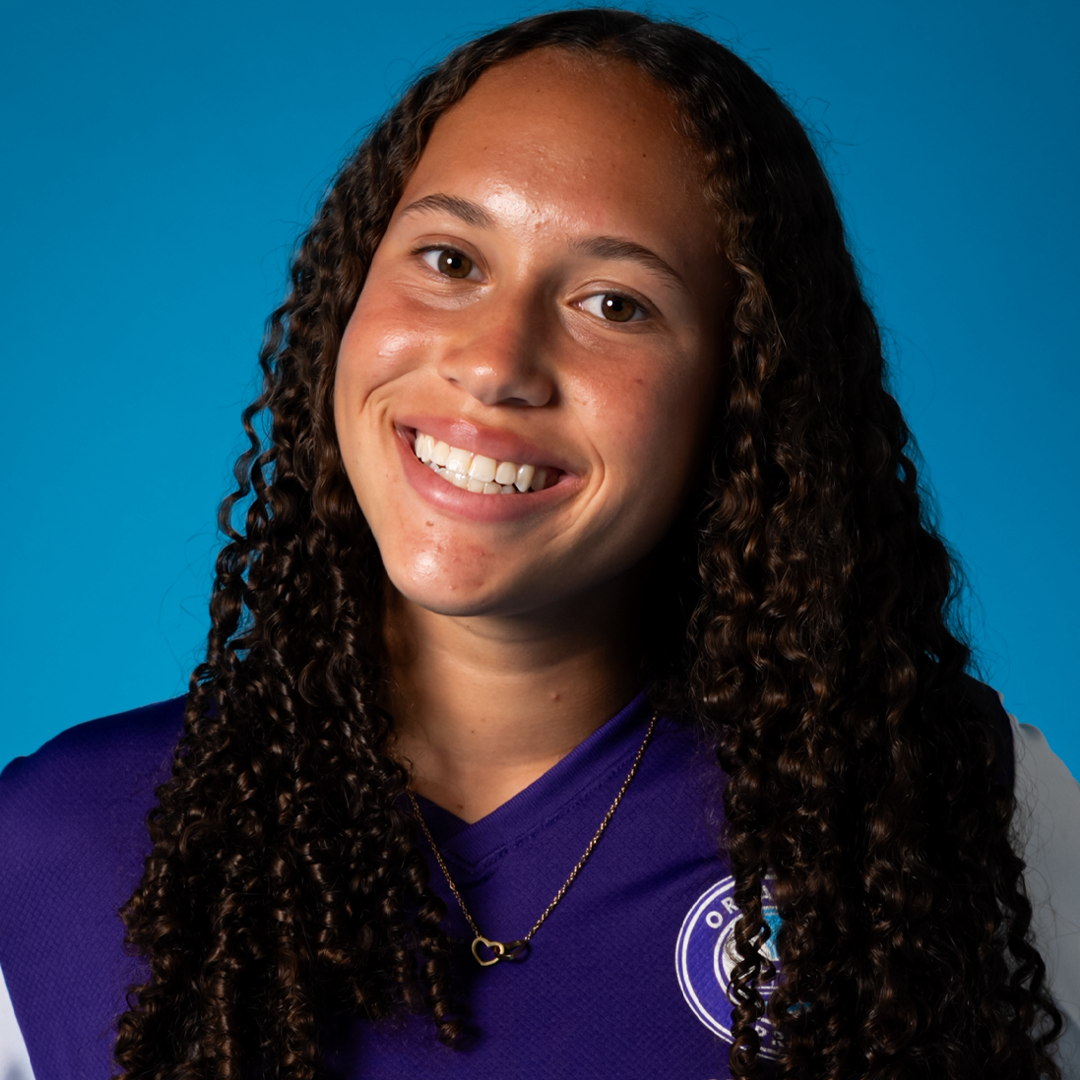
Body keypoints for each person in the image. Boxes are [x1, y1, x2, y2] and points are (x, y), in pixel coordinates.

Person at [0, 8, 1077, 1079]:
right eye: (449, 258)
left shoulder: (942, 803)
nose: (497, 361)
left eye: (615, 301)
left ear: (744, 398)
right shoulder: (50, 848)